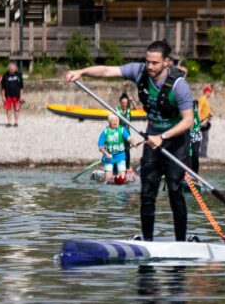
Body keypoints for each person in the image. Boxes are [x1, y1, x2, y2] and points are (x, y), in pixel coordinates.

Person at [67, 40, 196, 242]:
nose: (150, 66)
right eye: (147, 61)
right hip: (152, 139)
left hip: (176, 141)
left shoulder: (179, 86)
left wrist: (162, 137)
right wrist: (81, 72)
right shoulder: (139, 71)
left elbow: (188, 120)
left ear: (166, 63)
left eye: (155, 62)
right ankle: (147, 241)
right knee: (147, 192)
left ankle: (181, 241)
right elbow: (108, 71)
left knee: (174, 190)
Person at [98, 114, 130, 183]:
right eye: (113, 121)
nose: (115, 122)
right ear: (109, 122)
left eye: (117, 120)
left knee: (122, 178)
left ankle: (121, 177)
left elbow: (129, 138)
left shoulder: (121, 130)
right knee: (108, 179)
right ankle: (104, 176)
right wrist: (106, 154)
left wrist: (134, 142)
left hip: (120, 156)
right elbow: (100, 147)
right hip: (109, 157)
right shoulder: (105, 132)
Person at [116, 93, 136, 171]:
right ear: (120, 103)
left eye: (125, 103)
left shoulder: (128, 109)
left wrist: (132, 101)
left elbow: (135, 108)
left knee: (127, 150)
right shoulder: (117, 110)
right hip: (119, 133)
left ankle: (127, 167)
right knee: (119, 150)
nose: (124, 105)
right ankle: (117, 166)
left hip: (127, 134)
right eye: (122, 103)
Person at [1, 62, 24, 127]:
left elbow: (21, 86)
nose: (12, 70)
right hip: (7, 95)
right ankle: (9, 122)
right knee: (8, 109)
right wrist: (3, 96)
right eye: (11, 69)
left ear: (15, 68)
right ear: (8, 69)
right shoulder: (5, 75)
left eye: (13, 69)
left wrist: (21, 96)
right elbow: (3, 87)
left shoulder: (19, 75)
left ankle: (16, 122)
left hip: (17, 96)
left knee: (17, 108)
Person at [197, 85, 213, 157]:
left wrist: (210, 114)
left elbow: (205, 110)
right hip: (203, 121)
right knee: (205, 138)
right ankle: (202, 154)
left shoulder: (206, 100)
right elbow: (199, 109)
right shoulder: (202, 99)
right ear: (206, 91)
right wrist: (200, 120)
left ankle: (203, 153)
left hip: (206, 121)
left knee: (205, 138)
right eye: (210, 91)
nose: (210, 93)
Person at [189, 101, 203, 173]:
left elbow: (200, 122)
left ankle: (195, 175)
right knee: (189, 156)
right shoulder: (186, 112)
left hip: (196, 137)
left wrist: (206, 122)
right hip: (187, 138)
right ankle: (187, 173)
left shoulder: (196, 110)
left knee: (195, 154)